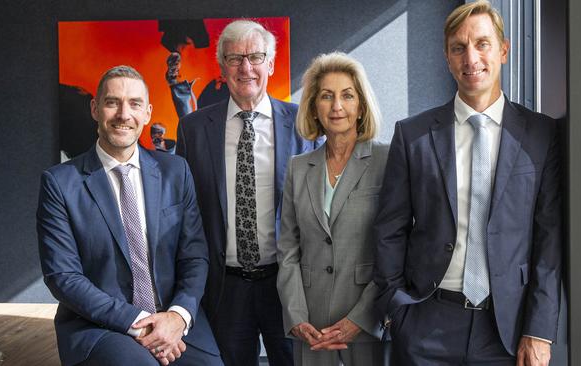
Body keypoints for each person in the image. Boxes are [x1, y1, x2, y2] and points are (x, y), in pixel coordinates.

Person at [374, 1, 562, 365]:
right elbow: (389, 229)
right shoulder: (412, 134)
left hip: (506, 330)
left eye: (482, 43)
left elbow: (549, 237)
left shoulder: (540, 134)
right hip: (426, 324)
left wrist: (538, 331)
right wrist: (394, 309)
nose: (470, 57)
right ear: (447, 58)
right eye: (458, 48)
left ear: (504, 51)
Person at [37, 65, 222, 366]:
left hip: (173, 319)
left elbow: (195, 256)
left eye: (135, 104)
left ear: (147, 113)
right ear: (95, 109)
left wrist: (178, 315)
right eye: (113, 102)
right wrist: (140, 322)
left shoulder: (175, 172)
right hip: (99, 326)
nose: (124, 114)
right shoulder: (60, 183)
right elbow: (63, 276)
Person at [176, 19, 319, 366]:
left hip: (286, 285)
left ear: (270, 63)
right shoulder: (194, 129)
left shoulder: (304, 124)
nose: (246, 67)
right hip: (225, 288)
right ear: (222, 66)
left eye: (255, 57)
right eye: (235, 58)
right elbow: (183, 209)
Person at [277, 52, 390, 366]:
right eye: (326, 96)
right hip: (311, 327)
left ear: (361, 106)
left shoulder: (387, 160)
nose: (337, 106)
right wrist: (296, 316)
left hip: (365, 324)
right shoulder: (298, 168)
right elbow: (287, 248)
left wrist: (362, 319)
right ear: (314, 107)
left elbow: (396, 248)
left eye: (347, 96)